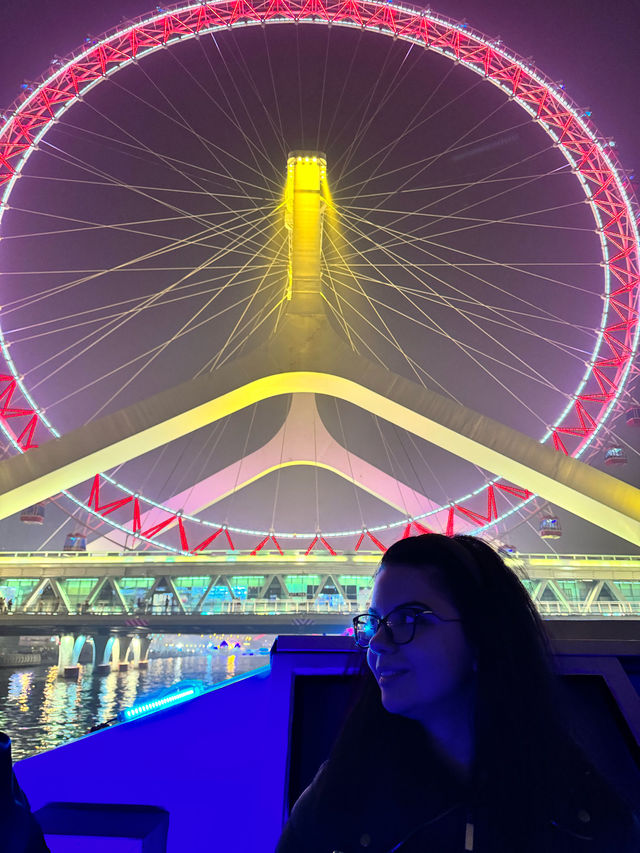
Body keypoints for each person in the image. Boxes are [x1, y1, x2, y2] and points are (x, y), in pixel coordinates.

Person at [275, 533, 640, 852]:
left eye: (411, 619)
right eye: (375, 622)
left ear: (483, 638)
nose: (380, 644)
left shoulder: (586, 818)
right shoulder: (338, 794)